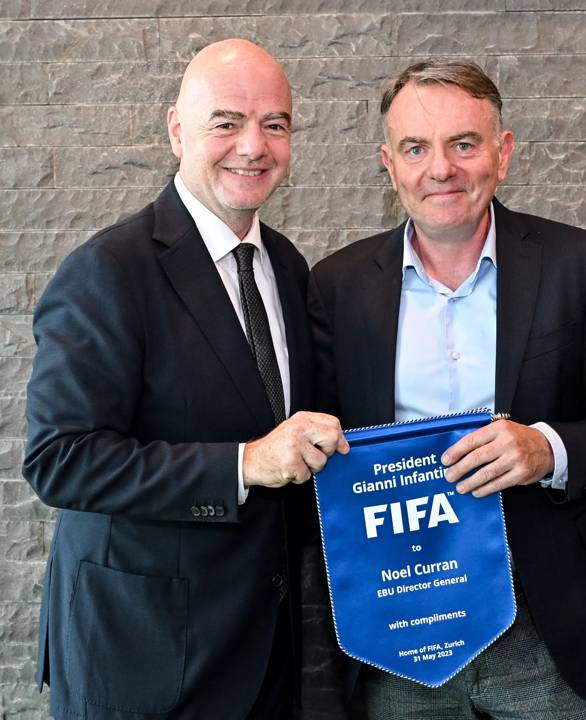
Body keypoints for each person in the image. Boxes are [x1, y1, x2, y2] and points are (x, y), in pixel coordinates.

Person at [308, 61, 586, 720]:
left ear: (503, 154)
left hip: (543, 628)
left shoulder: (575, 263)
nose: (440, 168)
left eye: (463, 144)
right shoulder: (337, 286)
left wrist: (547, 449)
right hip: (399, 634)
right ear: (389, 164)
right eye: (416, 148)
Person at [22, 39, 348, 720]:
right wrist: (245, 464)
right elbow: (59, 459)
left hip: (262, 655)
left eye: (275, 125)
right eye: (226, 122)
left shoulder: (286, 268)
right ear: (177, 129)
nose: (253, 146)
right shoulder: (108, 271)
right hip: (140, 660)